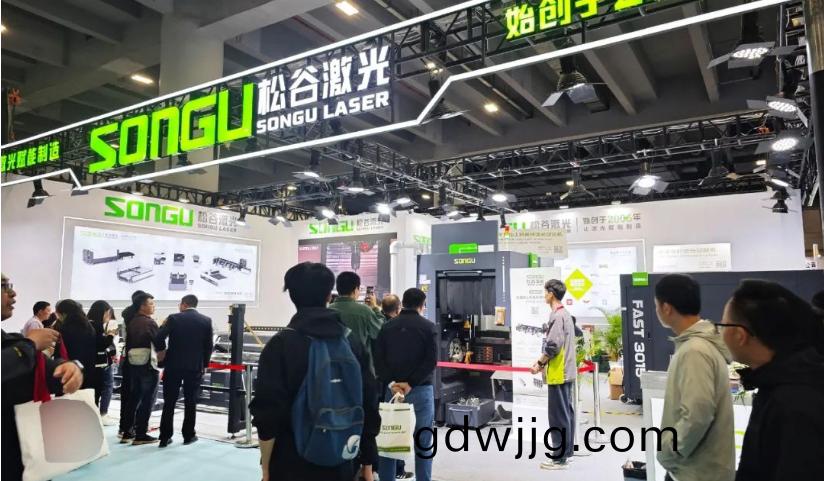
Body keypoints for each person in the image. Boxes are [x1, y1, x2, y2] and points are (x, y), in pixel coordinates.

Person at [250, 262, 380, 481]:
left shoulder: (281, 345)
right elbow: (369, 402)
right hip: (344, 457)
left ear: (292, 295)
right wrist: (368, 461)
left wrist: (266, 468)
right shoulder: (351, 341)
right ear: (329, 295)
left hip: (291, 460)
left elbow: (267, 413)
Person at [717, 280, 824, 481]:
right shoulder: (779, 384)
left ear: (740, 335)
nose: (720, 333)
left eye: (722, 325)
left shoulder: (795, 404)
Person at [2, 273, 83, 481]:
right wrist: (29, 345)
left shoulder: (9, 340)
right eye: (3, 286)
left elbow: (38, 367)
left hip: (18, 454)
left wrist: (67, 369)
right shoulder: (22, 343)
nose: (12, 293)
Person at [653, 274, 734, 481]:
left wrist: (669, 452)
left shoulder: (694, 351)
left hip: (695, 472)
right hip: (700, 469)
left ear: (666, 308)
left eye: (656, 305)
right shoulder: (699, 345)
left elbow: (698, 414)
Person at [374, 288, 438, 481]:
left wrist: (392, 383)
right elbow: (430, 361)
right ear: (422, 305)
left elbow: (378, 360)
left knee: (389, 441)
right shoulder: (428, 327)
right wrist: (411, 383)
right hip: (421, 390)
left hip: (393, 392)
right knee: (423, 441)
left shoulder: (387, 327)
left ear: (402, 303)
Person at [529, 280, 576, 470]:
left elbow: (553, 346)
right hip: (566, 371)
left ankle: (559, 458)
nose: (544, 295)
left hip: (559, 372)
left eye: (545, 292)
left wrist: (539, 363)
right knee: (566, 414)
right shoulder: (566, 314)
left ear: (551, 294)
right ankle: (566, 454)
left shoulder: (557, 316)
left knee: (558, 417)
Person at [155, 294, 214, 448]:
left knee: (169, 401)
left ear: (183, 304)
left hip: (173, 365)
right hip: (194, 367)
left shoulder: (173, 318)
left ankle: (165, 437)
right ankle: (189, 435)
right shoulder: (206, 320)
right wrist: (205, 364)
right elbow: (208, 346)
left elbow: (158, 337)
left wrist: (163, 352)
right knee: (190, 401)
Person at [120, 292, 165, 445]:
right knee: (147, 400)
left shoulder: (132, 321)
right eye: (151, 304)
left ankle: (127, 432)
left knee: (134, 398)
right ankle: (141, 434)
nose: (154, 306)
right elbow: (159, 343)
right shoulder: (149, 323)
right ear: (142, 306)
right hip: (148, 364)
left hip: (133, 363)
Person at [329, 272, 384, 375]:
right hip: (361, 367)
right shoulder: (364, 311)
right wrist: (375, 308)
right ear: (355, 290)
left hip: (333, 367)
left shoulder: (328, 310)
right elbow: (379, 331)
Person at [118, 290, 145, 437]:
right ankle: (134, 427)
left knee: (126, 394)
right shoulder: (140, 320)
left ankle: (124, 427)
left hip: (128, 358)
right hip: (141, 361)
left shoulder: (127, 318)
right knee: (138, 395)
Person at [55, 299, 98, 391]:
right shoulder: (89, 327)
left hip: (70, 371)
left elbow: (60, 352)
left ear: (64, 314)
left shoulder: (65, 328)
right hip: (88, 370)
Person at [87, 300, 118, 426]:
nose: (108, 317)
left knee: (97, 390)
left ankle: (96, 415)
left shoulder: (88, 324)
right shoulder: (95, 326)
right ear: (104, 312)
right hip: (98, 363)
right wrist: (110, 335)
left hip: (95, 363)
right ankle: (100, 415)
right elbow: (102, 344)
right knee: (101, 389)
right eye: (108, 314)